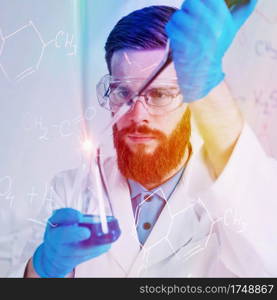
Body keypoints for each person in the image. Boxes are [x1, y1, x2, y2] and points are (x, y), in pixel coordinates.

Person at [11, 0, 277, 277]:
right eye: (123, 93)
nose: (137, 115)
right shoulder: (69, 191)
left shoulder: (234, 196)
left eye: (159, 95)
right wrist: (41, 269)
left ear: (191, 99)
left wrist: (208, 83)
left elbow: (270, 258)